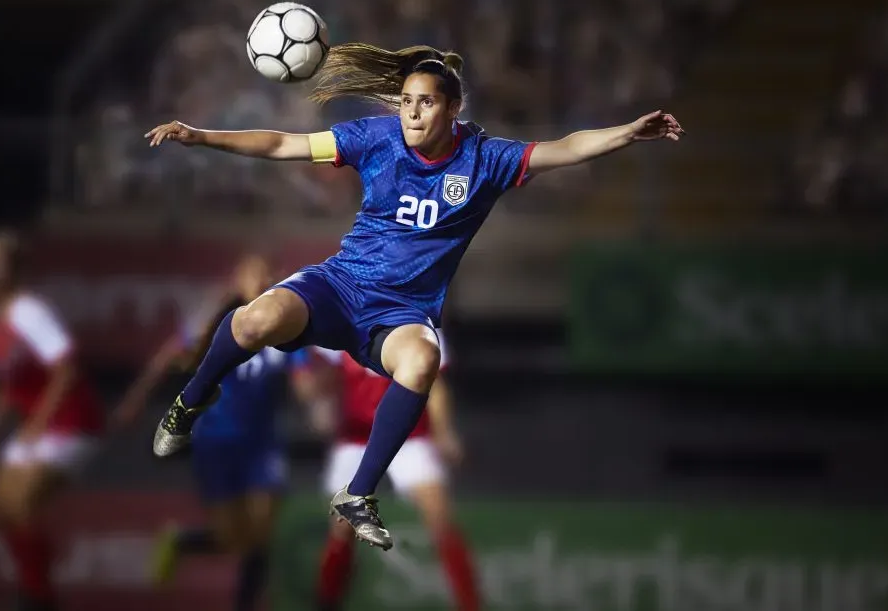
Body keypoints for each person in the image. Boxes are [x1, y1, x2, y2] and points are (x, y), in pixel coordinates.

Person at [144, 43, 684, 550]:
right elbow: (285, 143)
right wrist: (202, 136)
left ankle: (357, 494)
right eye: (406, 102)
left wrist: (627, 132)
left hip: (400, 314)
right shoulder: (376, 138)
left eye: (425, 103)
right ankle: (189, 402)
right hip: (339, 286)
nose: (412, 114)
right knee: (254, 320)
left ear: (453, 108)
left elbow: (564, 149)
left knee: (423, 357)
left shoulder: (484, 158)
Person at [113, 255, 308, 611]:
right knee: (234, 538)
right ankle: (182, 541)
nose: (263, 281)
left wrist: (315, 398)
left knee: (263, 533)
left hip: (262, 444)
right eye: (255, 275)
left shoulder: (284, 325)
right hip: (216, 441)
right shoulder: (217, 322)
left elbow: (302, 375)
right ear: (238, 281)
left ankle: (245, 604)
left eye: (268, 275)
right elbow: (169, 357)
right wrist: (135, 399)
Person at [0, 230, 103, 611]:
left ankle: (38, 597)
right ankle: (35, 587)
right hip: (37, 425)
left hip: (71, 422)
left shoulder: (29, 311)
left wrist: (39, 421)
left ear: (13, 270)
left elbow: (67, 370)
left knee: (21, 503)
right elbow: (7, 387)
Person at [299, 330, 479, 611]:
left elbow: (436, 384)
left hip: (410, 436)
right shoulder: (343, 317)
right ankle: (326, 604)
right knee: (342, 528)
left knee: (440, 517)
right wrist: (319, 404)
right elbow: (325, 380)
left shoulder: (422, 323)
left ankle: (470, 605)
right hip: (355, 441)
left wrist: (444, 431)